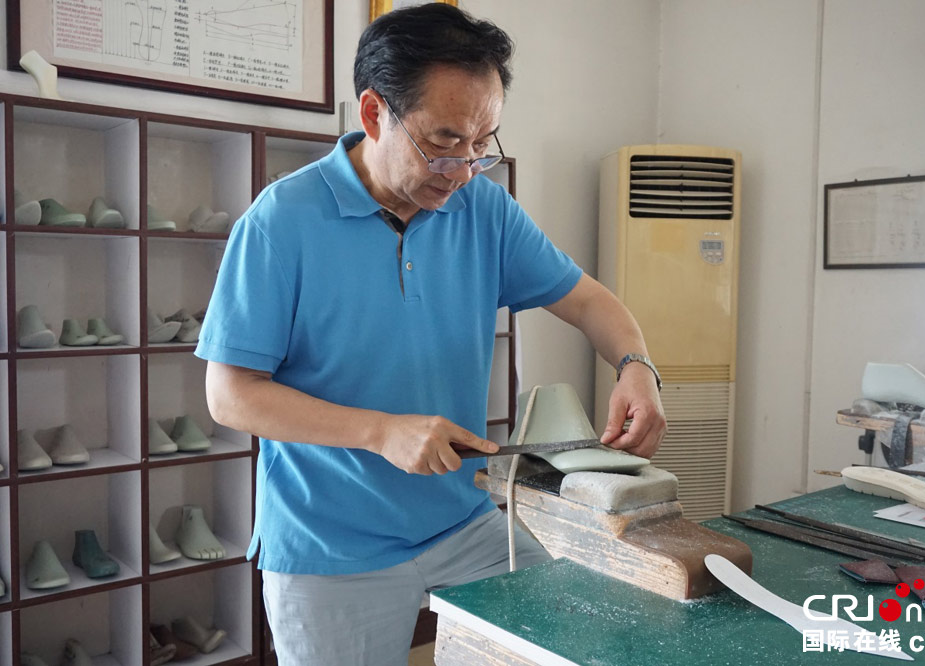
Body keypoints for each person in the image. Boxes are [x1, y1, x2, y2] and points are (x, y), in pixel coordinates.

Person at [196, 4, 666, 665]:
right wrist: (381, 432)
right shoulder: (281, 222)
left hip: (462, 521)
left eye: (482, 142)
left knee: (567, 645)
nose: (465, 167)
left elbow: (588, 301)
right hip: (330, 545)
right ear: (373, 114)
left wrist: (637, 366)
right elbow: (230, 395)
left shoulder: (484, 208)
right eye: (444, 142)